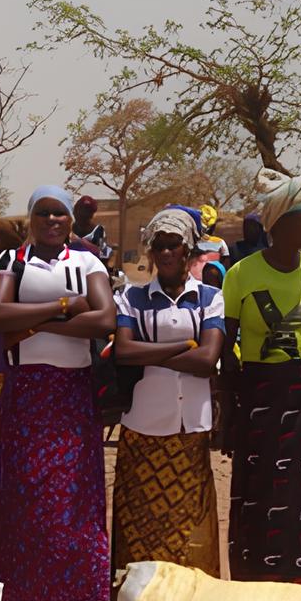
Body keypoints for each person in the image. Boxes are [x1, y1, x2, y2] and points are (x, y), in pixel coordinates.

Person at [0, 186, 115, 601]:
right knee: (20, 494)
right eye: (43, 213)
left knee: (76, 499)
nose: (52, 220)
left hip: (73, 393)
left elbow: (104, 320)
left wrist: (32, 323)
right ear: (31, 219)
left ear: (70, 220)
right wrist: (61, 308)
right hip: (26, 391)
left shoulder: (88, 263)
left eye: (59, 213)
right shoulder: (12, 261)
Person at [220, 174, 301, 583]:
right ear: (281, 224)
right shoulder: (241, 274)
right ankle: (258, 579)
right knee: (261, 489)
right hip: (258, 394)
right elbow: (227, 345)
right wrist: (230, 412)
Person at [109, 206, 230, 575]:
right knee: (139, 525)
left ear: (188, 249)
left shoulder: (209, 297)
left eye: (172, 244)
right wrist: (183, 347)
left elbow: (208, 360)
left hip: (191, 427)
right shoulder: (132, 297)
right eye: (158, 245)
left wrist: (150, 352)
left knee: (189, 526)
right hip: (143, 426)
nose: (164, 252)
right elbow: (123, 352)